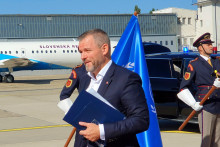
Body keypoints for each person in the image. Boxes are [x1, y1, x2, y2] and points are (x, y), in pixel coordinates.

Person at [73, 29, 149, 147]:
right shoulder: (84, 79)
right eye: (80, 52)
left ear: (104, 49)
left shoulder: (126, 79)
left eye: (87, 50)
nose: (83, 56)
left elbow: (141, 120)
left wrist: (101, 131)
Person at [177, 32, 220, 147]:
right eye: (208, 44)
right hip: (206, 106)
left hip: (218, 104)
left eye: (211, 44)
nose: (211, 46)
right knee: (206, 140)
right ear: (200, 48)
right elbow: (183, 88)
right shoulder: (194, 64)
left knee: (218, 141)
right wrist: (193, 103)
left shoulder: (217, 61)